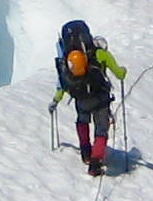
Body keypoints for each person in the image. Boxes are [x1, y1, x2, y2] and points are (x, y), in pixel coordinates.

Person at [49, 18, 127, 175]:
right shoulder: (100, 54)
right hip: (100, 98)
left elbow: (63, 84)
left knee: (82, 121)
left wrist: (55, 101)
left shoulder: (69, 59)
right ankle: (95, 162)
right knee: (101, 130)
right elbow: (119, 74)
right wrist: (123, 71)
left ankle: (85, 152)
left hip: (81, 99)